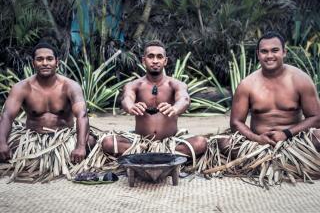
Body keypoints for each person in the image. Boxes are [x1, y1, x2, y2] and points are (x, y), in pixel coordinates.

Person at [206, 32, 320, 186]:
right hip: (257, 145)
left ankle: (289, 163)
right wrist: (256, 138)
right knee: (219, 142)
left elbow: (316, 118)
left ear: (284, 52)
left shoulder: (300, 79)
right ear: (258, 55)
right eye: (264, 51)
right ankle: (265, 163)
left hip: (295, 142)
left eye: (275, 50)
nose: (269, 55)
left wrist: (286, 133)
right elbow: (236, 123)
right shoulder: (247, 84)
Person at [0, 42, 96, 181]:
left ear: (57, 62)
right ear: (33, 63)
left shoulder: (70, 86)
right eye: (40, 59)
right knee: (4, 142)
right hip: (33, 139)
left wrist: (80, 146)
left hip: (64, 138)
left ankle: (59, 159)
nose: (45, 63)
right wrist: (2, 142)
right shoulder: (22, 87)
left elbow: (82, 115)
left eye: (49, 59)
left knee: (91, 141)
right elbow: (7, 116)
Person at [101, 40, 207, 158]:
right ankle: (159, 156)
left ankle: (151, 156)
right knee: (108, 142)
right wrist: (131, 107)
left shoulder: (176, 84)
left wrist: (175, 108)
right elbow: (126, 98)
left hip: (170, 143)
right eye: (151, 57)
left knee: (200, 143)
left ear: (165, 61)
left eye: (159, 57)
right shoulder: (134, 85)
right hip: (140, 143)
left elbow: (184, 99)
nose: (155, 61)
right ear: (143, 60)